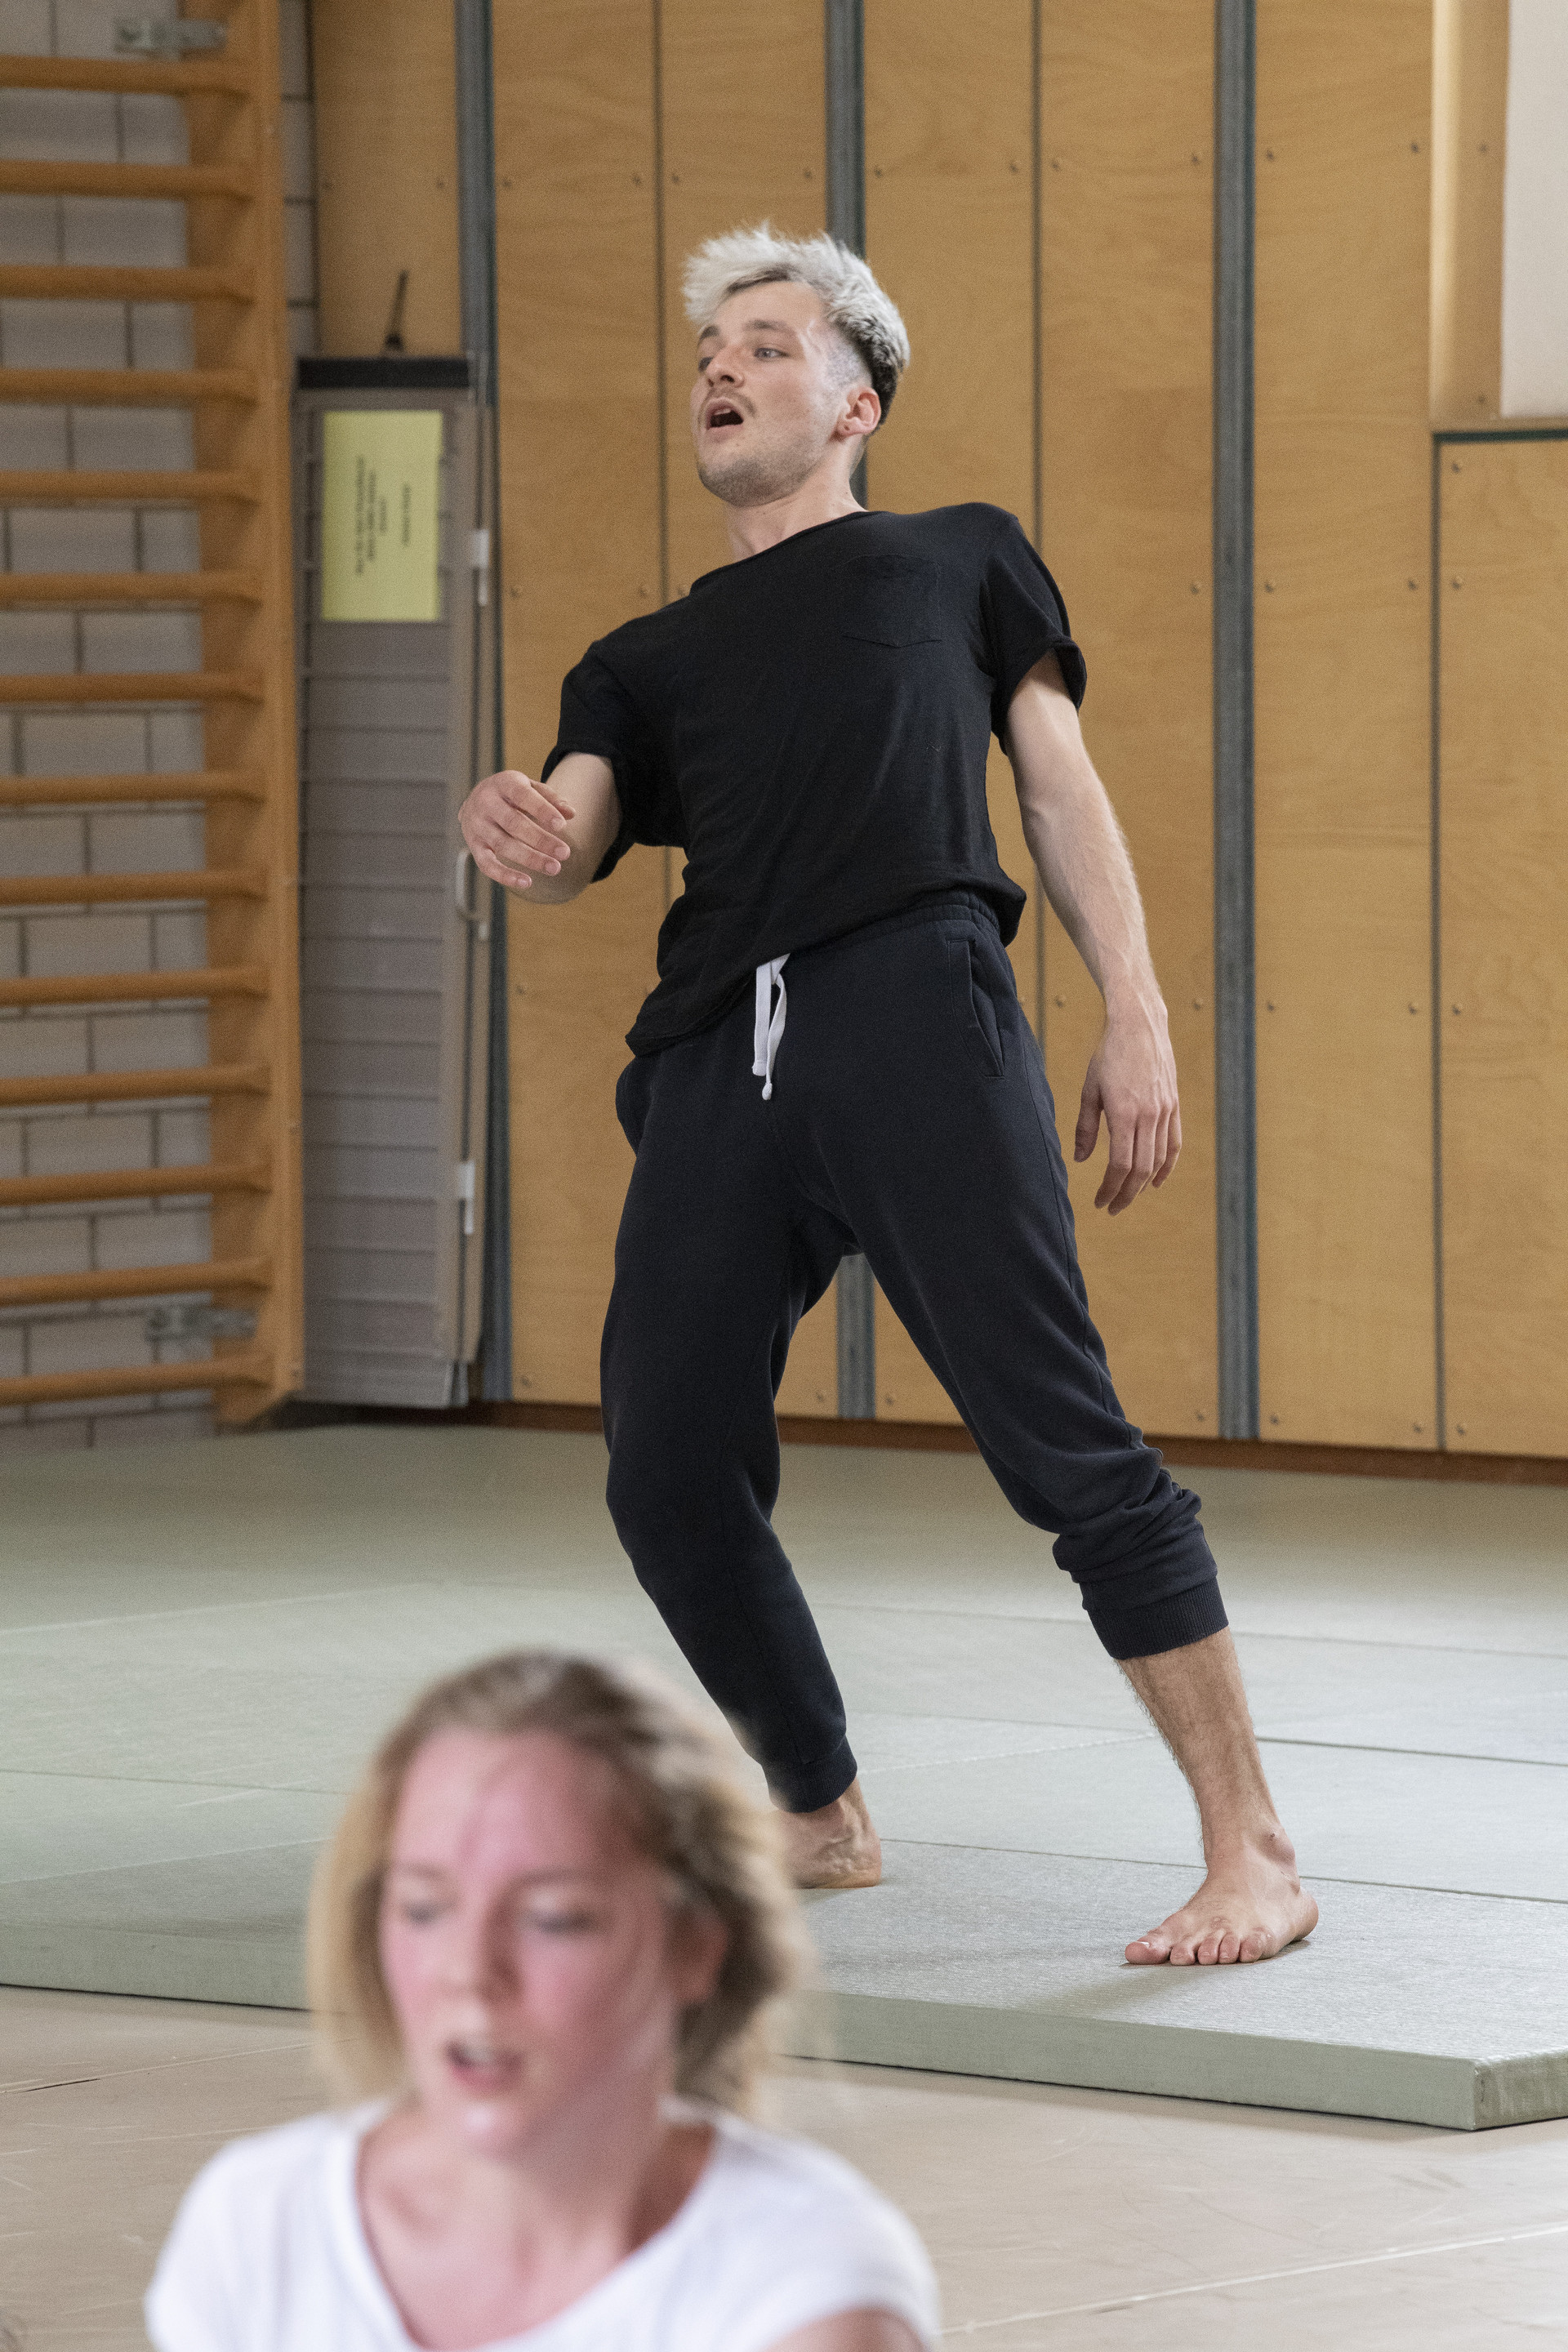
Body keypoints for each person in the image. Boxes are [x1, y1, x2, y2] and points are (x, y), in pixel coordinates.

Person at [460, 225, 1318, 1969]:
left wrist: (1137, 1009)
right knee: (663, 1462)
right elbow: (577, 830)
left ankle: (1256, 1854)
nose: (722, 367)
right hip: (717, 1057)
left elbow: (1058, 787)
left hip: (916, 1008)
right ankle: (818, 1804)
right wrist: (524, 835)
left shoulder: (956, 556)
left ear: (858, 402)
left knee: (1061, 1443)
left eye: (768, 344)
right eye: (709, 350)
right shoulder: (641, 656)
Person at [145, 1650, 938, 2352]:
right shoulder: (258, 2223)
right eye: (423, 1908)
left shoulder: (800, 2281)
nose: (469, 1971)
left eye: (553, 1919)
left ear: (695, 1947)